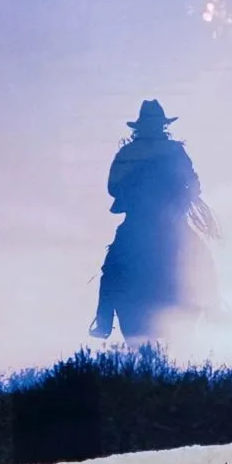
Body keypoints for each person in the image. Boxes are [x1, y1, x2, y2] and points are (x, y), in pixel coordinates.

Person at [89, 100, 218, 343]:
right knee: (201, 258)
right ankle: (212, 307)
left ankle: (104, 320)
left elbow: (112, 188)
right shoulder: (174, 151)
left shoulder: (127, 154)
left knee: (112, 269)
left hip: (136, 223)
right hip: (170, 222)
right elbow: (194, 185)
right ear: (162, 125)